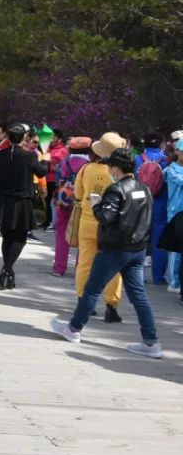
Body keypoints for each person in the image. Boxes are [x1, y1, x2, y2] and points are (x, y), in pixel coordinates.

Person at [50, 148, 163, 358]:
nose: (109, 169)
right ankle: (151, 341)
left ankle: (73, 329)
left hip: (115, 249)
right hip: (137, 249)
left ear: (116, 167)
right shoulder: (143, 189)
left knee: (92, 289)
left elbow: (106, 217)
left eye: (110, 165)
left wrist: (96, 204)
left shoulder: (116, 189)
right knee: (139, 296)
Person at [0, 124, 49, 289]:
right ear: (24, 138)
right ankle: (7, 269)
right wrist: (46, 160)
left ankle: (7, 271)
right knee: (19, 237)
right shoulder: (28, 156)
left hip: (3, 200)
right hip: (20, 200)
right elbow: (41, 172)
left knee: (7, 236)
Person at [74, 133, 126, 321]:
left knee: (85, 263)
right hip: (112, 225)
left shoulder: (86, 168)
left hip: (88, 221)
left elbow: (78, 194)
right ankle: (111, 306)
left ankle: (83, 299)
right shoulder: (120, 173)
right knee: (114, 266)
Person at [51, 137, 91, 277]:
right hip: (80, 203)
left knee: (61, 234)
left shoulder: (65, 162)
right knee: (82, 236)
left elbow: (58, 178)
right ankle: (79, 268)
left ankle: (59, 267)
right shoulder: (89, 164)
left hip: (64, 201)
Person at [136, 133, 169, 285]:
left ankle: (137, 275)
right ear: (161, 143)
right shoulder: (166, 161)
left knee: (139, 239)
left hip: (140, 200)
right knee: (159, 241)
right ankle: (158, 277)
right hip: (160, 202)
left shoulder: (137, 159)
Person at [163, 136, 183, 297]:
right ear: (177, 152)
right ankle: (174, 281)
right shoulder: (171, 170)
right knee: (176, 250)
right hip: (176, 212)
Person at [44, 130, 68, 231]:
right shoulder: (47, 148)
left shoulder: (63, 150)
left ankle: (53, 223)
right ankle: (48, 220)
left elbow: (62, 167)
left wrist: (50, 163)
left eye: (53, 137)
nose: (51, 139)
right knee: (47, 199)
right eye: (50, 137)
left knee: (53, 201)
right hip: (46, 178)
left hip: (55, 179)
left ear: (59, 139)